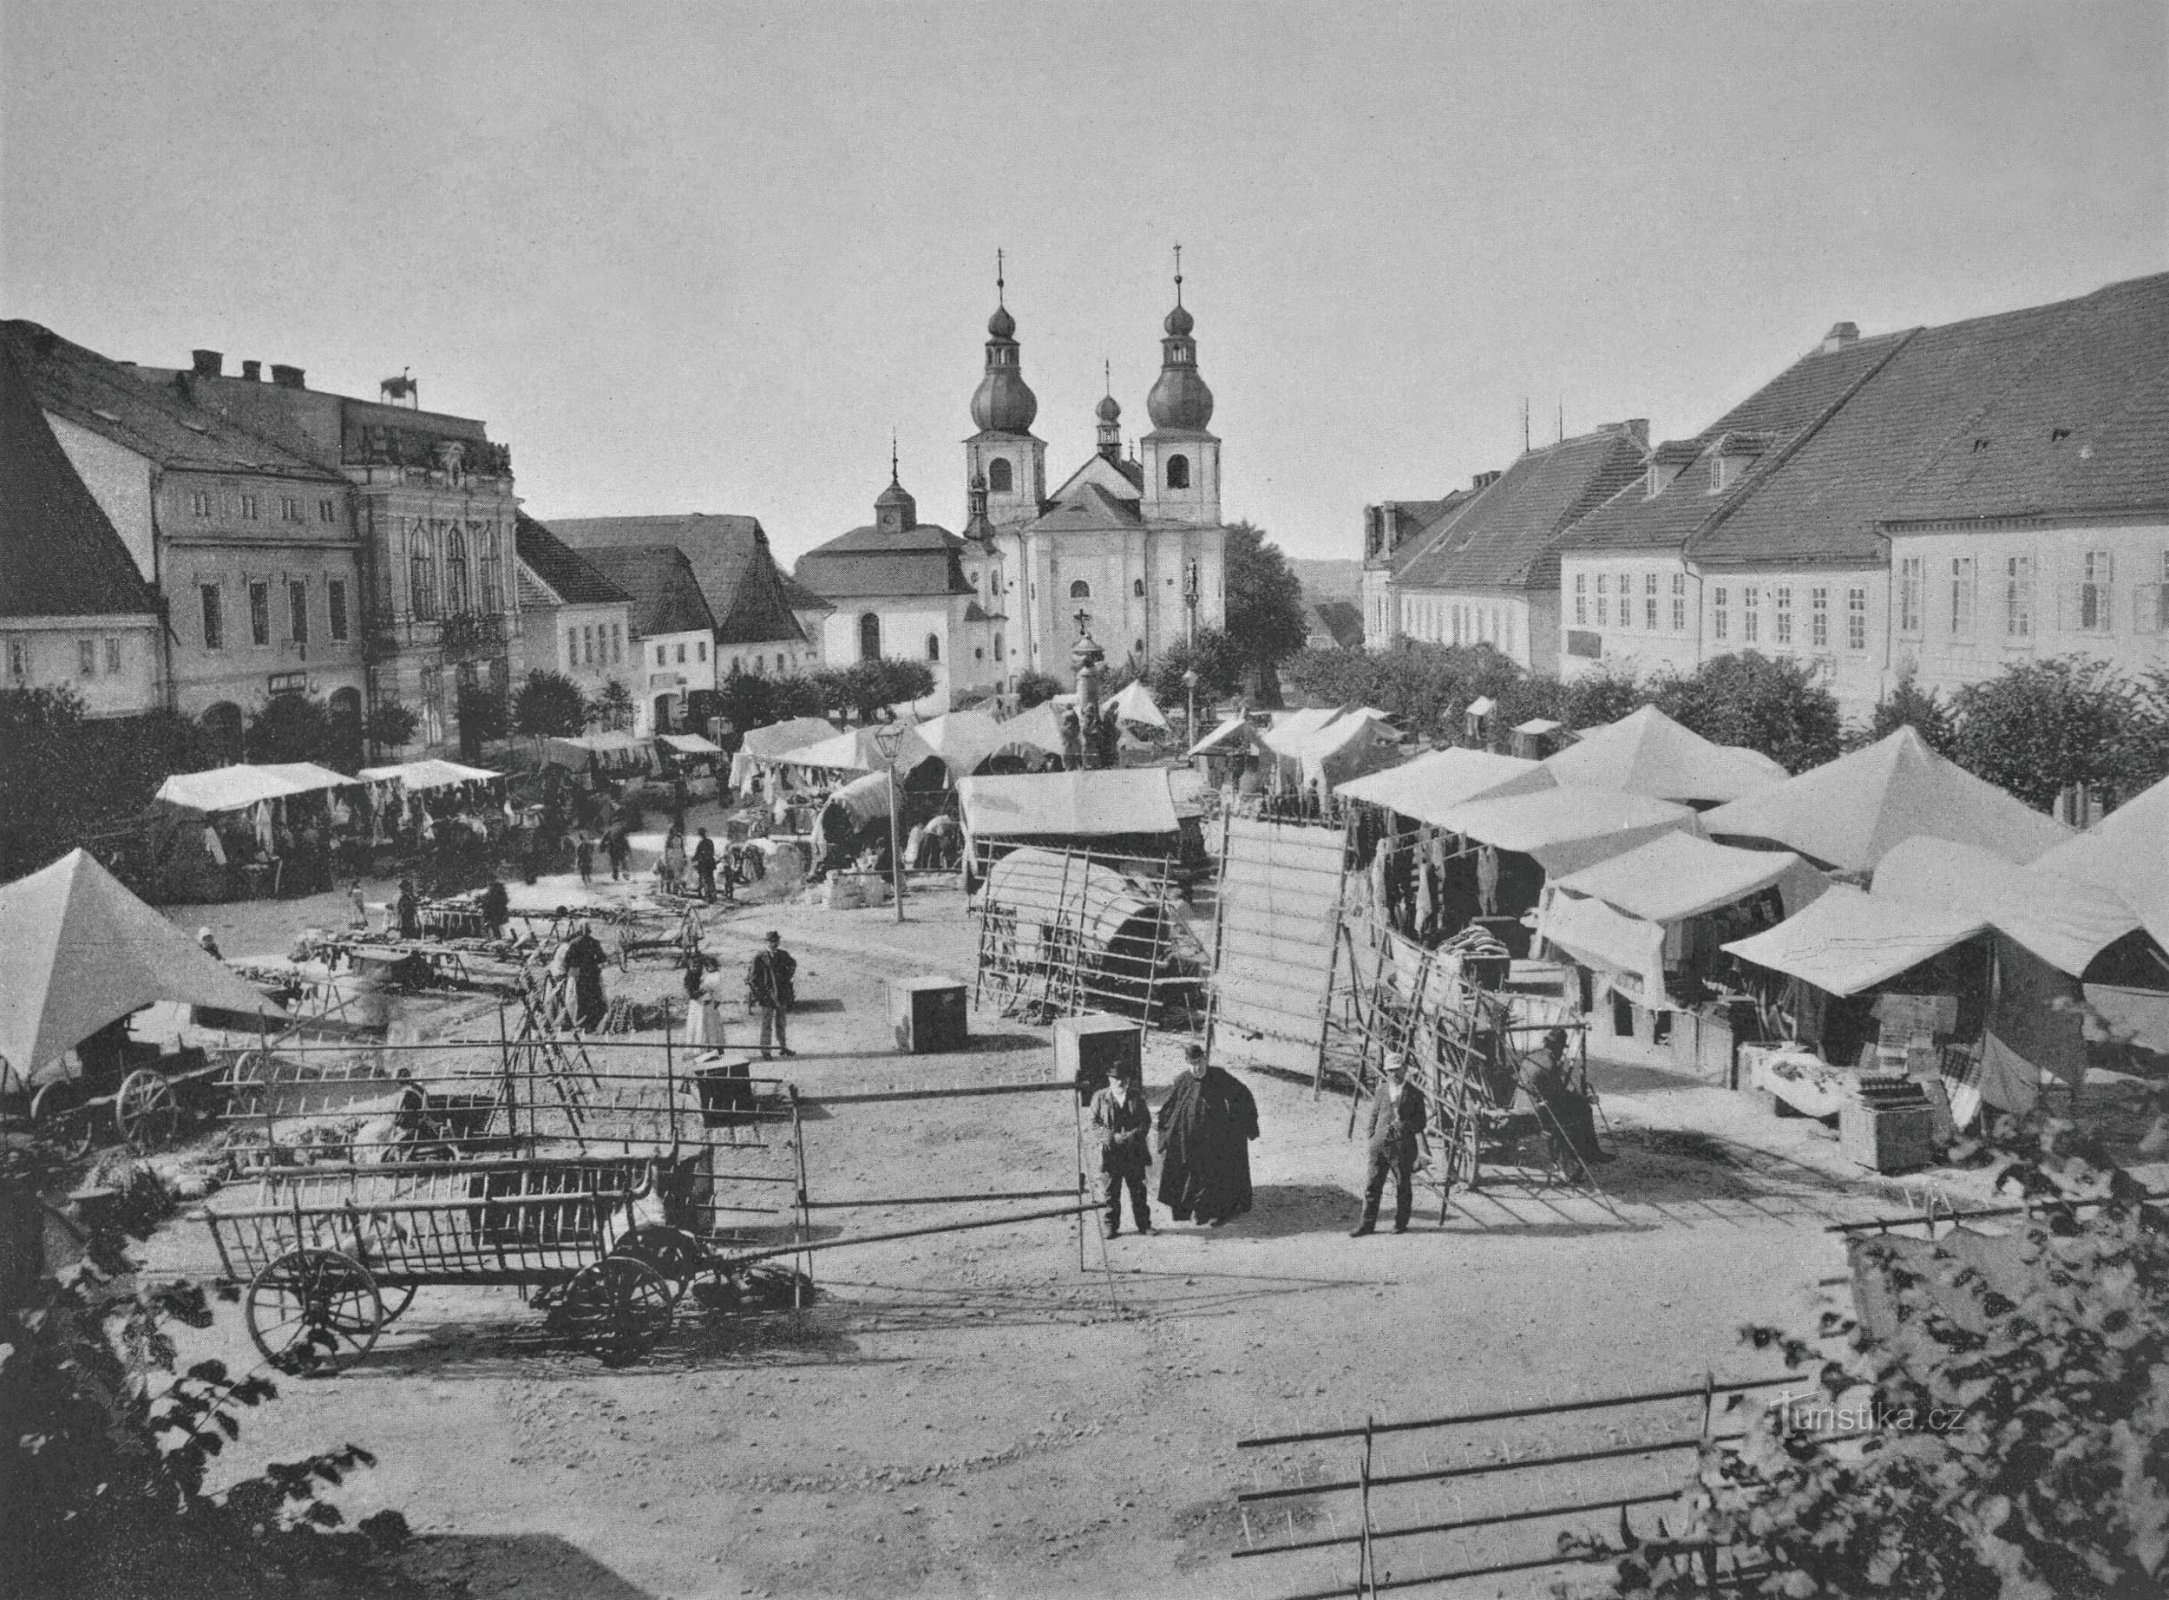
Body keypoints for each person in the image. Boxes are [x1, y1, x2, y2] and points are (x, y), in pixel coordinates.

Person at [1156, 1044, 1259, 1227]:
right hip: (1190, 1140)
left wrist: (1242, 1124)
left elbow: (1242, 1094)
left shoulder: (1219, 1076)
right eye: (1193, 1064)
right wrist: (1166, 1133)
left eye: (1200, 1062)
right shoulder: (1182, 1080)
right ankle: (1200, 1212)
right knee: (1194, 1176)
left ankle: (1220, 1212)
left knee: (1216, 1175)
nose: (1197, 1068)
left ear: (1206, 1059)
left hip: (1216, 1139)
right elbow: (1170, 1107)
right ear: (1187, 1063)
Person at [1521, 1028, 1613, 1179]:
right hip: (1538, 1107)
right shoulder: (1549, 1064)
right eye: (1561, 1048)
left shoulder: (1532, 1056)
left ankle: (1590, 1152)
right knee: (1581, 1111)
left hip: (1523, 1101)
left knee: (1578, 1108)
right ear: (1556, 1047)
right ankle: (1583, 1156)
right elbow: (1559, 1095)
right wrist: (1584, 1099)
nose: (1561, 1052)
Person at [1352, 1052, 1427, 1237]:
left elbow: (1421, 1122)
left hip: (1402, 1146)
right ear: (1386, 1072)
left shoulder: (1415, 1094)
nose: (1394, 1074)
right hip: (1379, 1145)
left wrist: (1404, 1126)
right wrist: (1372, 1136)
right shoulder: (1382, 1090)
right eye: (1390, 1071)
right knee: (1372, 1185)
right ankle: (1366, 1225)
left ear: (1405, 1069)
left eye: (1398, 1070)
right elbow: (1374, 1115)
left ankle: (1400, 1224)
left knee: (1402, 1185)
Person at [1090, 1068, 1153, 1238]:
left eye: (1123, 1078)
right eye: (1115, 1078)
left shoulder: (1136, 1097)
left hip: (1134, 1153)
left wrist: (1132, 1136)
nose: (1120, 1082)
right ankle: (1110, 1226)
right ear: (1109, 1079)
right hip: (1111, 1155)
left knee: (1138, 1191)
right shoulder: (1100, 1097)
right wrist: (1111, 1137)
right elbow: (1094, 1123)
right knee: (1111, 1192)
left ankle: (1144, 1225)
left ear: (1128, 1080)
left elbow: (1146, 1121)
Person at [744, 930, 797, 1058]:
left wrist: (786, 979)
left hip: (781, 995)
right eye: (771, 941)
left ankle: (782, 1047)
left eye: (776, 941)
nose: (774, 944)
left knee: (781, 1023)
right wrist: (762, 995)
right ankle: (766, 1051)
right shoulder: (759, 958)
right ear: (765, 942)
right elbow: (752, 980)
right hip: (767, 998)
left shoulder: (783, 955)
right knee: (766, 1025)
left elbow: (792, 965)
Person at [562, 920, 608, 1031]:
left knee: (581, 999)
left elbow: (567, 960)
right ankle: (593, 1023)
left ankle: (582, 1023)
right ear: (589, 930)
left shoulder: (574, 943)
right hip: (593, 974)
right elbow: (602, 958)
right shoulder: (594, 942)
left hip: (580, 975)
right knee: (594, 997)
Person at [661, 823, 688, 896]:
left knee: (679, 873)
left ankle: (677, 889)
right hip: (671, 855)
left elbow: (682, 847)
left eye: (676, 829)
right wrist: (666, 859)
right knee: (671, 873)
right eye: (673, 830)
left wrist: (684, 856)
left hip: (679, 855)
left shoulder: (680, 836)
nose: (675, 831)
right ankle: (669, 889)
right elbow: (666, 849)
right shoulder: (669, 838)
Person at [693, 828, 718, 902]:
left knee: (704, 880)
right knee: (710, 880)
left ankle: (707, 896)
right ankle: (713, 896)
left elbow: (697, 854)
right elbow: (712, 852)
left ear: (700, 835)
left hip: (704, 864)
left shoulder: (701, 843)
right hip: (710, 863)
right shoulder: (710, 841)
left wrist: (693, 860)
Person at [1476, 843, 1501, 918]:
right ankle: (1485, 912)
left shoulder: (1492, 859)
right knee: (1485, 894)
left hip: (1490, 877)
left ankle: (1491, 912)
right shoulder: (1483, 860)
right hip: (1485, 877)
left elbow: (1495, 869)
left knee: (1491, 894)